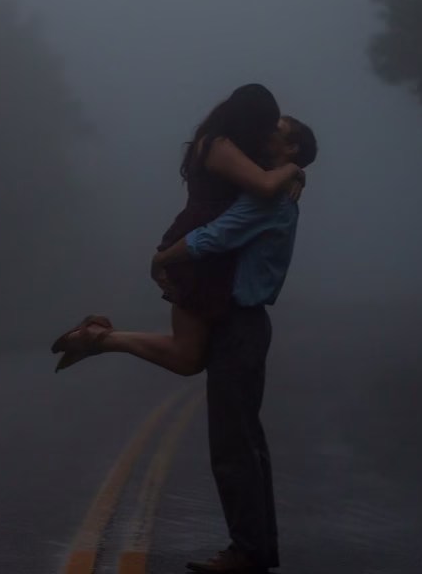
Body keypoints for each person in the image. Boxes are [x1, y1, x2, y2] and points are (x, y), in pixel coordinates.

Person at [52, 102, 318, 573]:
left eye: (276, 129)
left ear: (291, 147)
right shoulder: (271, 187)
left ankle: (248, 552)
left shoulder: (270, 197)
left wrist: (162, 259)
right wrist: (295, 171)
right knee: (244, 441)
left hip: (242, 323)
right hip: (237, 320)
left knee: (236, 447)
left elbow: (213, 237)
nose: (264, 130)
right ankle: (254, 550)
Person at [50, 83, 304, 374]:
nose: (267, 134)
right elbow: (265, 184)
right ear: (251, 119)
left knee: (191, 356)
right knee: (187, 356)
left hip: (209, 248)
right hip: (195, 247)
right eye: (265, 125)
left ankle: (97, 337)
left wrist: (291, 174)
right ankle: (96, 337)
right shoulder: (217, 144)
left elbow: (264, 182)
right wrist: (294, 170)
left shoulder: (228, 146)